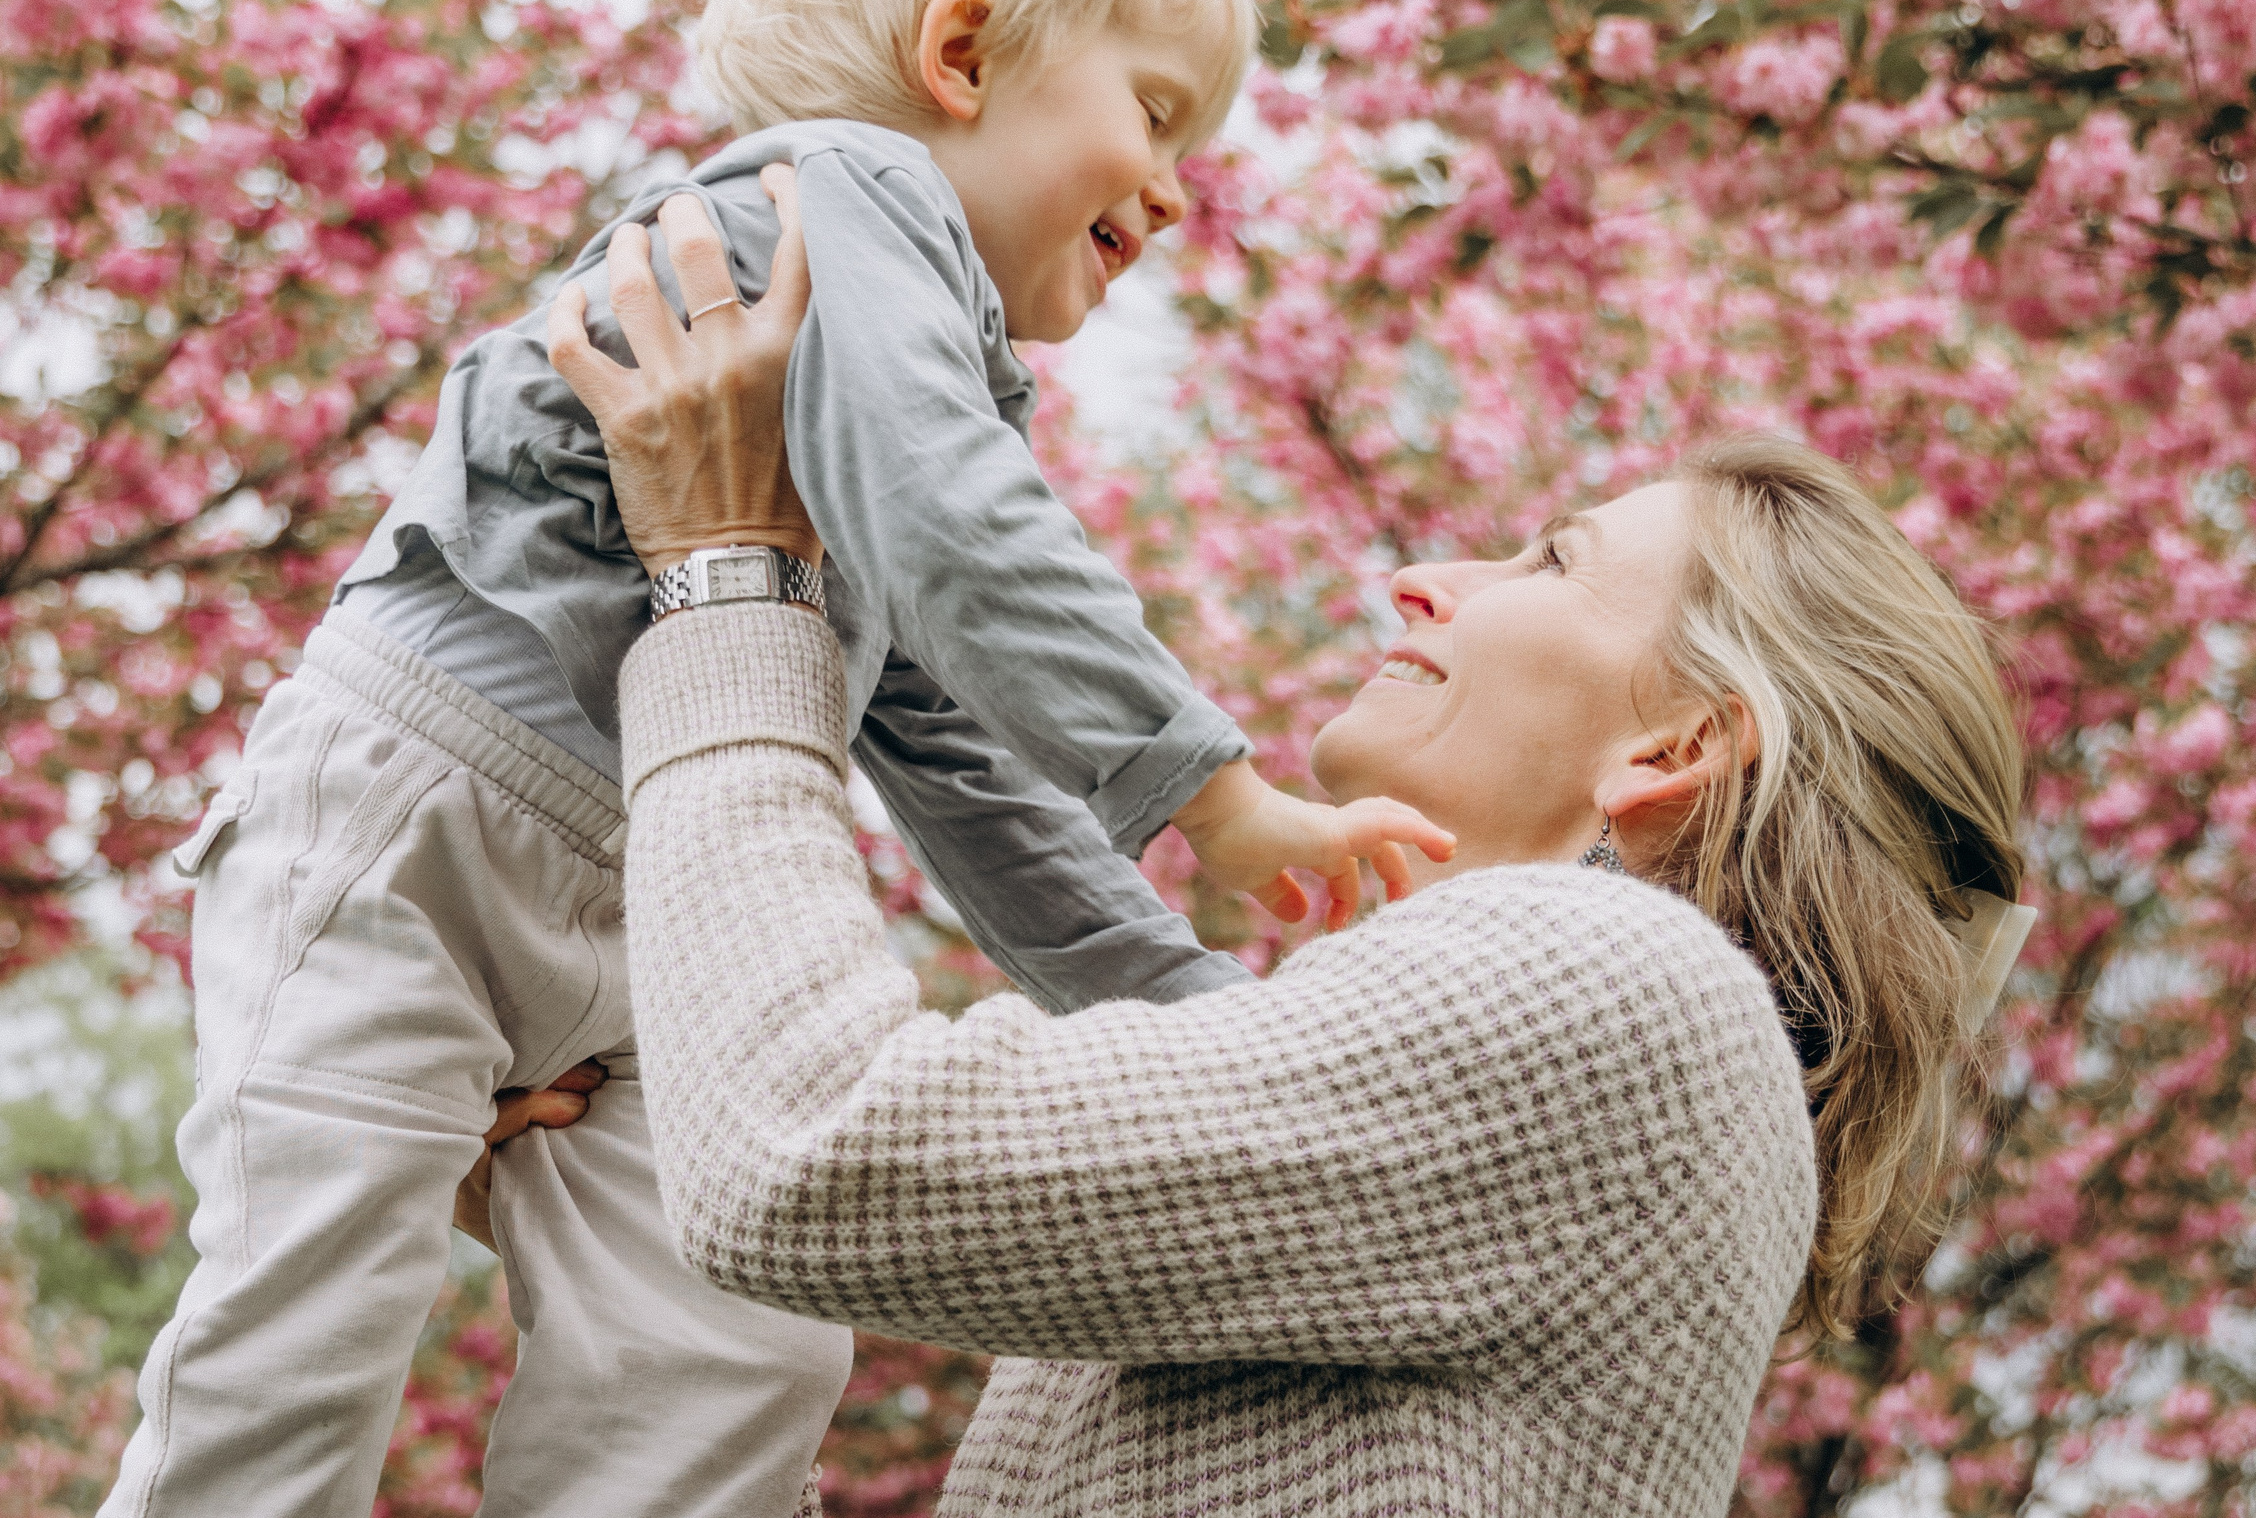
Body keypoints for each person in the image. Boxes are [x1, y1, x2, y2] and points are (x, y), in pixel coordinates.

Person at [100, 0, 1447, 1518]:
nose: (1179, 191)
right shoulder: (841, 200)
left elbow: (955, 749)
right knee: (306, 1320)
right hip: (411, 833)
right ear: (960, 51)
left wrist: (1197, 1024)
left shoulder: (914, 366)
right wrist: (1224, 791)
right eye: (1161, 112)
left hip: (652, 906)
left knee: (736, 1338)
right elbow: (960, 521)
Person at [530, 186, 2039, 1517]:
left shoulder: (1632, 992)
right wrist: (591, 1176)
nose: (1425, 575)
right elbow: (800, 1173)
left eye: (1553, 557)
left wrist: (729, 570)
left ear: (1679, 747)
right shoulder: (1527, 1090)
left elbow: (809, 1155)